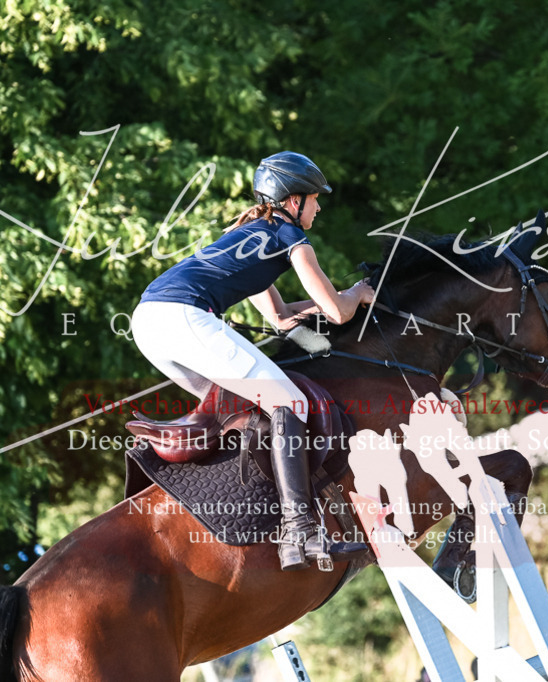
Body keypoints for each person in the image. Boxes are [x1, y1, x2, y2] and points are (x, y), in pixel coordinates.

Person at [131, 151, 375, 571]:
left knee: (245, 411)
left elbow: (280, 317)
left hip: (149, 321)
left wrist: (331, 304)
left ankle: (248, 505)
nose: (319, 207)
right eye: (315, 199)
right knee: (290, 404)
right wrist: (358, 293)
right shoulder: (291, 237)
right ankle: (299, 527)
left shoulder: (251, 232)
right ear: (294, 201)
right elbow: (337, 311)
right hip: (184, 316)